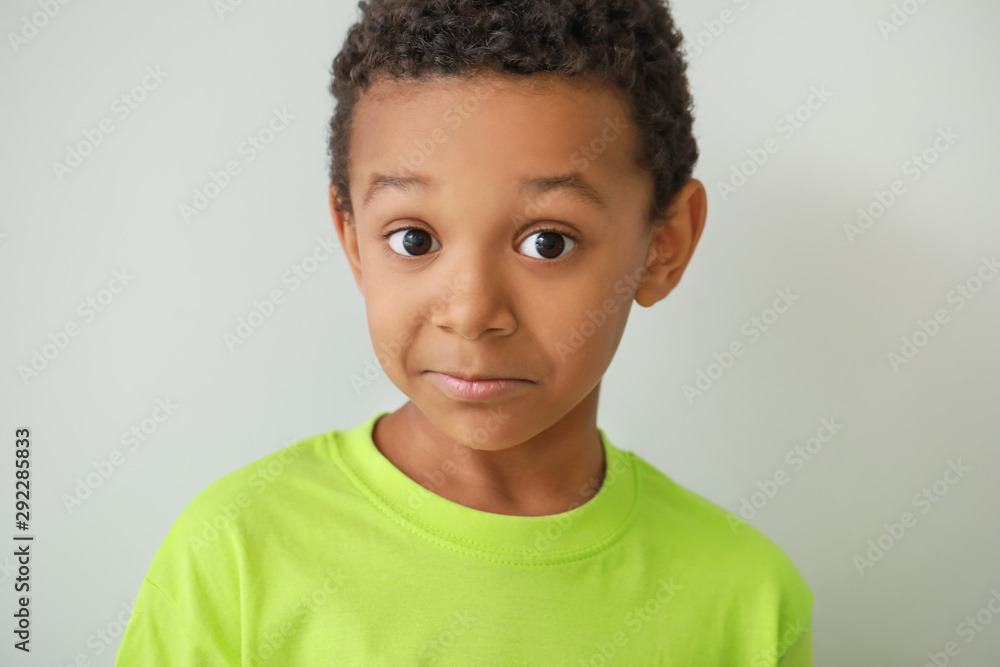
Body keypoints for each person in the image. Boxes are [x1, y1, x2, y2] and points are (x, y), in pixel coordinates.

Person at [115, 0, 814, 664]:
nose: (472, 309)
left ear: (662, 247)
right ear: (353, 239)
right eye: (414, 237)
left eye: (548, 242)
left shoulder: (748, 600)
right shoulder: (232, 553)